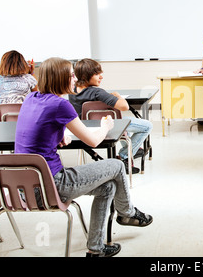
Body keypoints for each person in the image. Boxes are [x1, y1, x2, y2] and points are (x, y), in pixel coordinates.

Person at [14, 57, 153, 257]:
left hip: (23, 188)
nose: (75, 78)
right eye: (71, 75)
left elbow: (36, 128)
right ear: (60, 78)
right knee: (116, 165)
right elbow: (93, 141)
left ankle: (96, 249)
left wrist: (59, 133)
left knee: (108, 187)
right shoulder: (60, 105)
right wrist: (105, 126)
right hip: (52, 185)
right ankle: (127, 213)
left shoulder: (31, 98)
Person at [68, 58, 153, 173]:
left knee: (126, 126)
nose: (101, 77)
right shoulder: (97, 92)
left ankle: (132, 150)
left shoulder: (72, 91)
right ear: (86, 75)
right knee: (147, 126)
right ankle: (124, 156)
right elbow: (125, 107)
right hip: (108, 126)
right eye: (97, 74)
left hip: (86, 128)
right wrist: (118, 97)